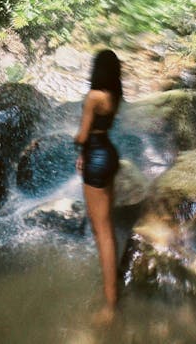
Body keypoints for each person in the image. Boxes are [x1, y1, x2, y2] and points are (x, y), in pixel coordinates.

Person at [74, 49, 122, 325]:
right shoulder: (115, 97)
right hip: (108, 153)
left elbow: (82, 134)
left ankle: (110, 304)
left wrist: (76, 143)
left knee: (101, 231)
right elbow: (99, 130)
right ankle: (111, 287)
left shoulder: (93, 97)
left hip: (96, 159)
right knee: (106, 226)